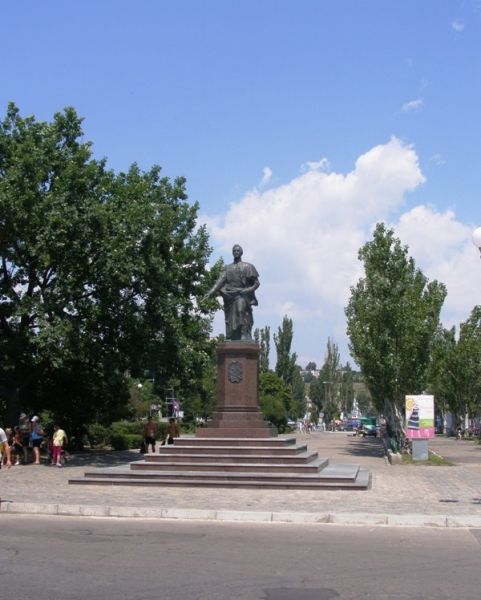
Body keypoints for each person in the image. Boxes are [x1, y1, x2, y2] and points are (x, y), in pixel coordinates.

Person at [204, 244, 259, 341]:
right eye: (234, 251)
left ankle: (243, 334)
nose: (236, 252)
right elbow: (219, 282)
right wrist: (210, 292)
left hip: (242, 295)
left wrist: (247, 290)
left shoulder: (248, 266)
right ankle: (231, 336)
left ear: (241, 252)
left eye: (238, 250)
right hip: (229, 296)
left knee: (240, 310)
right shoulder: (227, 268)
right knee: (230, 317)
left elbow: (256, 283)